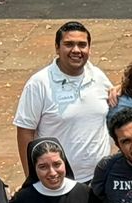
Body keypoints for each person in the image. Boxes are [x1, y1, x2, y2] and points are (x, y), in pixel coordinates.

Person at [14, 20, 113, 183]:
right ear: (57, 48)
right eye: (69, 44)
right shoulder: (39, 83)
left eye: (82, 45)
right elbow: (25, 131)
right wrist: (32, 178)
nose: (76, 50)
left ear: (89, 48)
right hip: (57, 181)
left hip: (100, 179)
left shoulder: (98, 77)